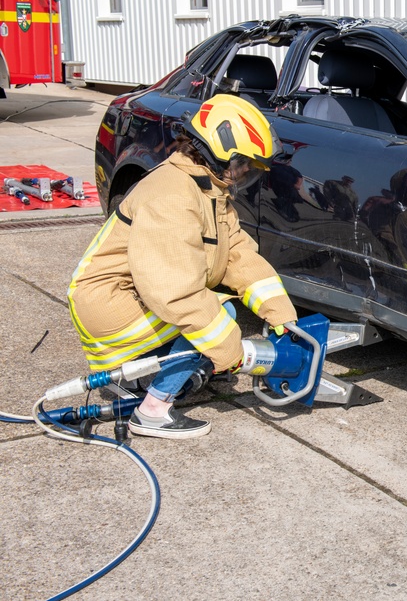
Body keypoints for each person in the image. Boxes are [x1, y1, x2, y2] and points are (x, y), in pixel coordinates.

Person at [67, 94, 298, 439]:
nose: (246, 170)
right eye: (243, 162)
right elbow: (175, 292)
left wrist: (280, 313)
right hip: (108, 304)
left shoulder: (208, 189)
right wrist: (226, 347)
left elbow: (238, 255)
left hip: (131, 297)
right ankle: (153, 411)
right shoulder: (172, 196)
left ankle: (142, 378)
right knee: (217, 320)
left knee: (211, 335)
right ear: (216, 152)